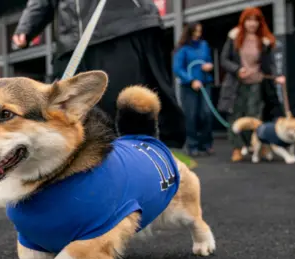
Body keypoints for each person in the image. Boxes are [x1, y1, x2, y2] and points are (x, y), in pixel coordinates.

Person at [12, 0, 186, 149]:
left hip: (121, 27)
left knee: (128, 112)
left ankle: (143, 172)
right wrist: (27, 26)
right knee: (72, 121)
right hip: (72, 42)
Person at [217, 6, 285, 162]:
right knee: (236, 116)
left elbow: (270, 64)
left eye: (255, 20)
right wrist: (237, 70)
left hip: (257, 83)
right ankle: (237, 148)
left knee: (254, 117)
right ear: (243, 21)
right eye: (249, 20)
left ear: (260, 23)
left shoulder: (265, 41)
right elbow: (224, 60)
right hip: (236, 84)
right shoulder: (234, 37)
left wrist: (277, 76)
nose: (252, 24)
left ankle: (256, 146)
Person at [173, 23, 215, 157]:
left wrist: (209, 66)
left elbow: (208, 60)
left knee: (206, 113)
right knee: (191, 115)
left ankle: (206, 144)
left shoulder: (204, 45)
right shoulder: (182, 49)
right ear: (189, 32)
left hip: (204, 83)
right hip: (189, 86)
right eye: (195, 31)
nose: (198, 34)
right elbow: (177, 68)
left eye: (200, 31)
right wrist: (191, 80)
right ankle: (192, 145)